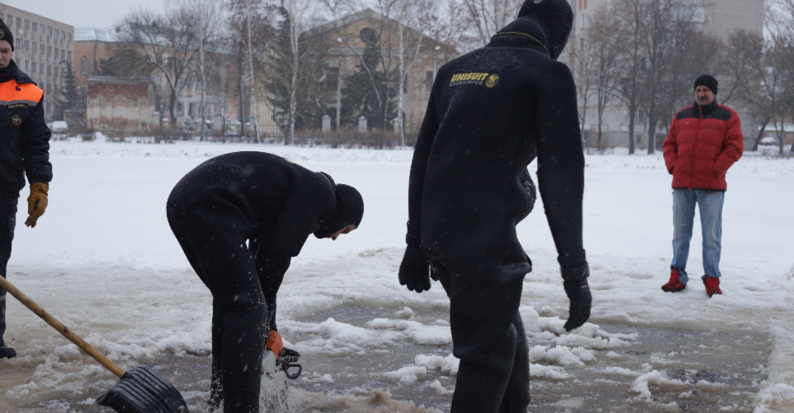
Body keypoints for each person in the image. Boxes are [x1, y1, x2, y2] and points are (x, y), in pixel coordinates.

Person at [398, 1, 591, 412]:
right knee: (488, 359)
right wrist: (574, 270)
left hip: (442, 233)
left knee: (505, 339)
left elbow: (424, 161)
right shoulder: (547, 73)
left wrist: (417, 240)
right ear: (558, 37)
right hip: (483, 238)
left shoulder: (455, 70)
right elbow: (562, 175)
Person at [166, 152, 363, 412]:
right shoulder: (320, 195)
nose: (337, 237)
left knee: (234, 304)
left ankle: (221, 399)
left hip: (187, 201)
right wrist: (267, 327)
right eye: (345, 229)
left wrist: (268, 326)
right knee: (248, 309)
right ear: (341, 213)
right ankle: (241, 408)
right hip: (210, 204)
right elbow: (275, 258)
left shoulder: (298, 189)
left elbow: (261, 267)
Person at [661, 74, 743, 297]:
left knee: (711, 236)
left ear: (714, 93)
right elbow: (669, 144)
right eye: (698, 90)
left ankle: (712, 279)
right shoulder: (681, 116)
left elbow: (735, 146)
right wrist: (674, 166)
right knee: (680, 235)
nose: (701, 94)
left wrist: (717, 168)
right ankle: (677, 275)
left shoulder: (728, 116)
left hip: (712, 187)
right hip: (682, 185)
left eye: (706, 90)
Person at [0, 18, 52, 360]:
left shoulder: (28, 92)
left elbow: (36, 144)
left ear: (12, 51)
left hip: (3, 192)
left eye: (4, 50)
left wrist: (39, 185)